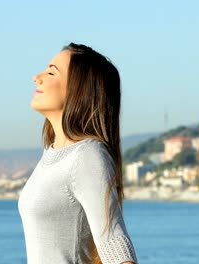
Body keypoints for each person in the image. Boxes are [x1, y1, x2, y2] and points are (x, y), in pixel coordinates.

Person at [18, 42, 138, 264]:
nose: (37, 76)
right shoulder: (53, 154)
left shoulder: (87, 155)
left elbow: (114, 244)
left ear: (78, 89)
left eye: (51, 71)